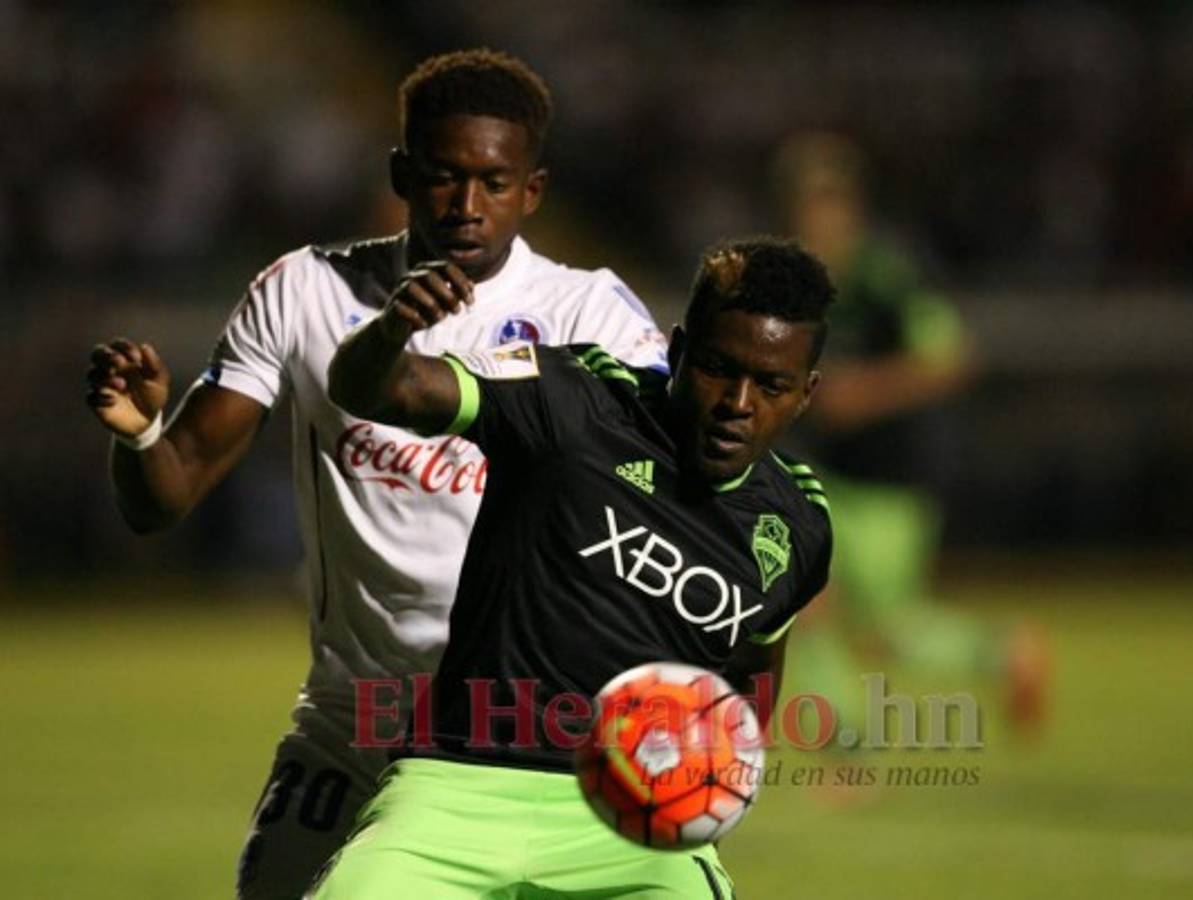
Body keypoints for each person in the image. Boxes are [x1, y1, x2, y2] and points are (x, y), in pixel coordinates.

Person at [83, 49, 669, 899]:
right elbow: (165, 494)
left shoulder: (589, 314)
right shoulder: (305, 290)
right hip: (351, 719)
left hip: (517, 728)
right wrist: (140, 434)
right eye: (441, 177)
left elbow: (665, 484)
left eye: (494, 183)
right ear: (401, 171)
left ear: (532, 190)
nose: (466, 207)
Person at [306, 236, 835, 897]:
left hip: (637, 825)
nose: (737, 402)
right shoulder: (570, 401)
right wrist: (391, 332)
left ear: (805, 392)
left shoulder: (797, 527)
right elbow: (382, 391)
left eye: (771, 385)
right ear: (675, 351)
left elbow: (755, 670)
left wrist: (710, 796)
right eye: (716, 368)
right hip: (456, 787)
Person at [772, 132, 1046, 732]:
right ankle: (844, 746)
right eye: (808, 200)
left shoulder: (887, 274)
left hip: (891, 475)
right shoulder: (794, 282)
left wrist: (865, 392)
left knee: (887, 633)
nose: (820, 213)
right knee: (800, 598)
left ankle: (1000, 652)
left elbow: (950, 359)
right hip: (821, 470)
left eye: (831, 199)